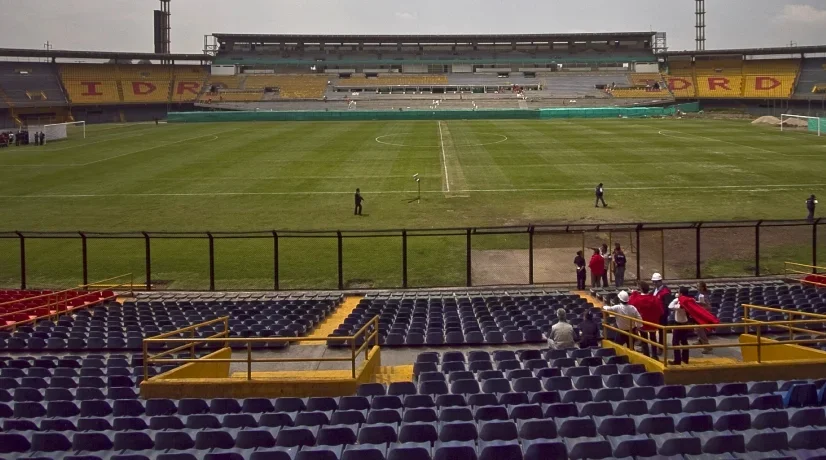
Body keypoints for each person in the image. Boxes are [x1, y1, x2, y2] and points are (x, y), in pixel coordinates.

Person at [629, 281, 663, 359]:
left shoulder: (637, 299)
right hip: (653, 323)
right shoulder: (654, 299)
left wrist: (634, 293)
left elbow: (631, 303)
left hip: (642, 323)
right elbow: (661, 311)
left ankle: (646, 355)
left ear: (640, 289)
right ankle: (654, 356)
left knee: (644, 340)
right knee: (653, 339)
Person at [651, 273, 673, 347]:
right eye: (653, 282)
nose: (654, 283)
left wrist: (662, 312)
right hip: (655, 314)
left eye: (656, 282)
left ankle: (661, 345)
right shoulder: (655, 289)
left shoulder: (666, 292)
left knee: (661, 331)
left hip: (662, 315)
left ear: (660, 281)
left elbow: (667, 305)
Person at [693, 282, 713, 354]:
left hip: (703, 314)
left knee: (700, 330)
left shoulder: (704, 296)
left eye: (698, 286)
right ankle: (700, 340)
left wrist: (700, 304)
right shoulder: (698, 294)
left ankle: (707, 346)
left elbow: (708, 306)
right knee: (697, 328)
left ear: (702, 287)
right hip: (699, 313)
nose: (697, 287)